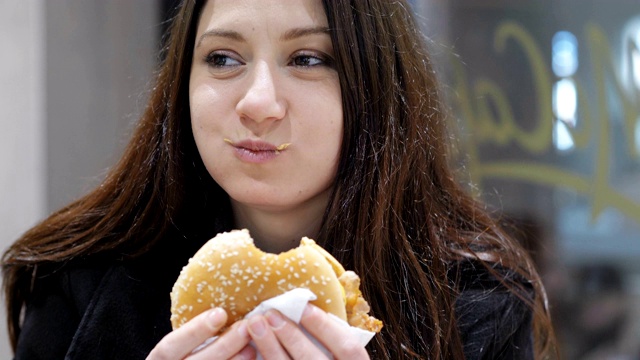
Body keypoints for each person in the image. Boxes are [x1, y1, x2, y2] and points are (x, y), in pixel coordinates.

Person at [2, 0, 556, 358]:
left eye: (308, 59)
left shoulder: (476, 306)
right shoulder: (78, 281)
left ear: (377, 86)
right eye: (222, 57)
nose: (258, 102)